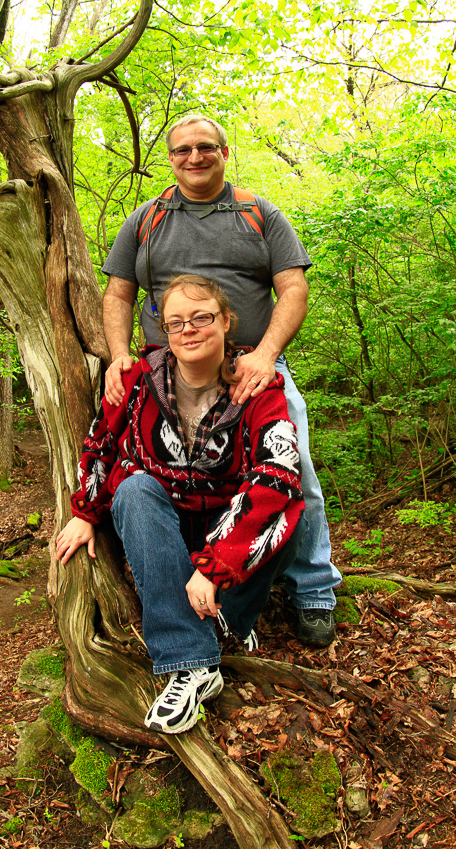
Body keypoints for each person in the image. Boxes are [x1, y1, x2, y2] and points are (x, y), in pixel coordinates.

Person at [100, 113, 342, 647]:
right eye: (182, 149)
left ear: (224, 153)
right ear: (170, 158)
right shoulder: (147, 219)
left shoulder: (258, 215)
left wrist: (267, 356)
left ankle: (314, 590)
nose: (194, 157)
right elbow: (117, 293)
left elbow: (293, 289)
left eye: (205, 147)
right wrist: (119, 355)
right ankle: (180, 575)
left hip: (250, 367)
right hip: (164, 372)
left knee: (289, 464)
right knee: (139, 470)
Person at [56, 275, 307, 734]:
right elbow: (101, 442)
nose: (189, 329)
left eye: (202, 318)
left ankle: (230, 619)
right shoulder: (137, 379)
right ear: (164, 331)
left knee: (292, 516)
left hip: (227, 530)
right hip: (164, 527)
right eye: (176, 322)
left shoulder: (257, 386)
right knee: (132, 489)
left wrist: (215, 565)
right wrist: (84, 512)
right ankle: (191, 663)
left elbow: (278, 474)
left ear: (227, 321)